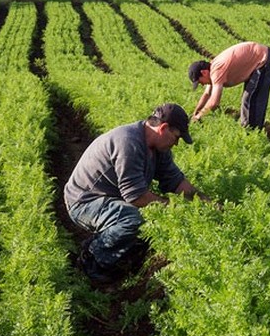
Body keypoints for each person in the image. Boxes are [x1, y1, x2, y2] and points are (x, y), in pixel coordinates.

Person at [65, 103, 206, 283]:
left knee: (142, 220)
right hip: (84, 202)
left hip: (110, 198)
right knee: (132, 219)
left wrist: (204, 201)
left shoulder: (158, 147)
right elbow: (136, 197)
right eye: (177, 137)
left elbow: (175, 181)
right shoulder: (128, 142)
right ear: (163, 128)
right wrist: (173, 207)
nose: (176, 143)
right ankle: (92, 257)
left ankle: (122, 255)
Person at [188, 41, 270, 129]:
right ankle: (251, 129)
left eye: (200, 82)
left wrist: (199, 116)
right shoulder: (212, 68)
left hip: (265, 59)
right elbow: (207, 94)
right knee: (250, 97)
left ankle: (251, 131)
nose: (202, 84)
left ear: (203, 72)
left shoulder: (217, 70)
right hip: (260, 57)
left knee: (251, 98)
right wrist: (196, 112)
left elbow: (214, 102)